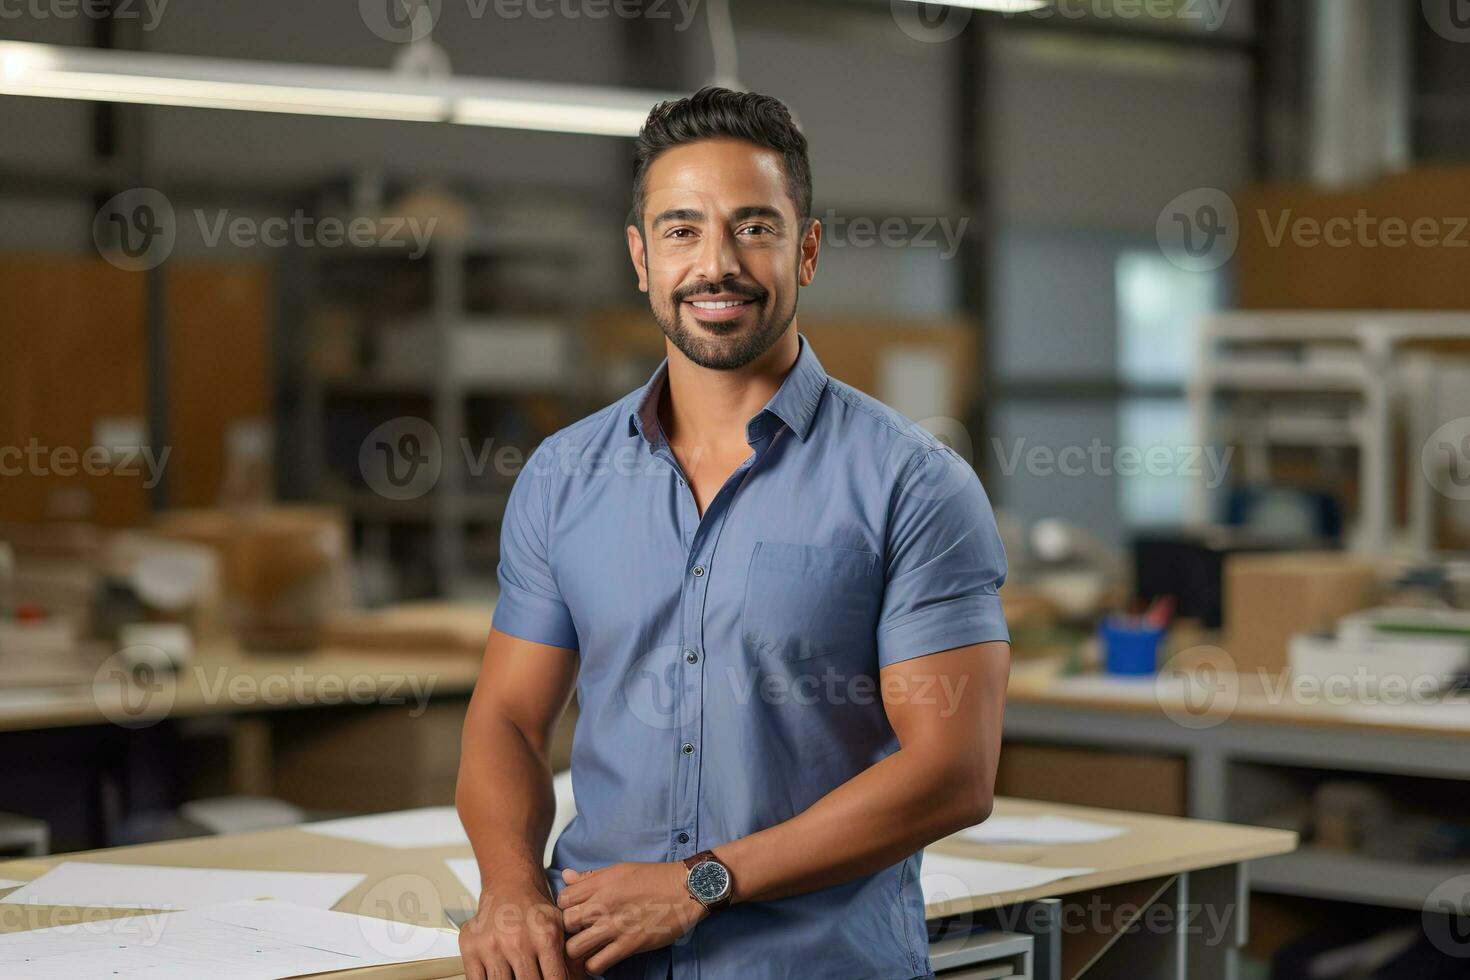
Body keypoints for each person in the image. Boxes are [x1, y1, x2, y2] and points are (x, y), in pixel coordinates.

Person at [456, 86, 1010, 980]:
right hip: (601, 963)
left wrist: (699, 882)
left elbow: (954, 771)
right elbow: (510, 719)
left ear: (809, 248)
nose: (716, 264)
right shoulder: (563, 477)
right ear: (640, 257)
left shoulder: (913, 482)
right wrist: (512, 886)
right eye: (680, 230)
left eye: (754, 227)